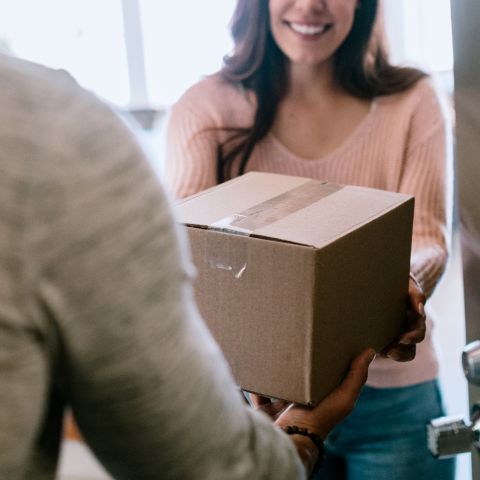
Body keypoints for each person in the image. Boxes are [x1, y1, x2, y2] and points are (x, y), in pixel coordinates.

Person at [0, 52, 376, 480]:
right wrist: (303, 432)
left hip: (356, 390)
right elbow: (213, 469)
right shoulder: (56, 134)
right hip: (246, 390)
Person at [164, 0, 453, 478]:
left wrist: (400, 290)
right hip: (256, 402)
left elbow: (427, 238)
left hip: (391, 396)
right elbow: (189, 256)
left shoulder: (413, 98)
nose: (311, 5)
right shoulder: (205, 108)